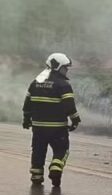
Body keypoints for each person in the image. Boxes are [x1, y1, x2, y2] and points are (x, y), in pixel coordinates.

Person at [22, 53, 81, 187]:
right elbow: (69, 105)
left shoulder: (35, 82)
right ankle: (56, 169)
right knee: (62, 150)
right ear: (58, 67)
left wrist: (26, 119)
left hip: (38, 128)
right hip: (57, 128)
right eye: (65, 68)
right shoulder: (63, 85)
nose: (66, 70)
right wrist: (75, 120)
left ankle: (36, 176)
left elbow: (27, 104)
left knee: (38, 151)